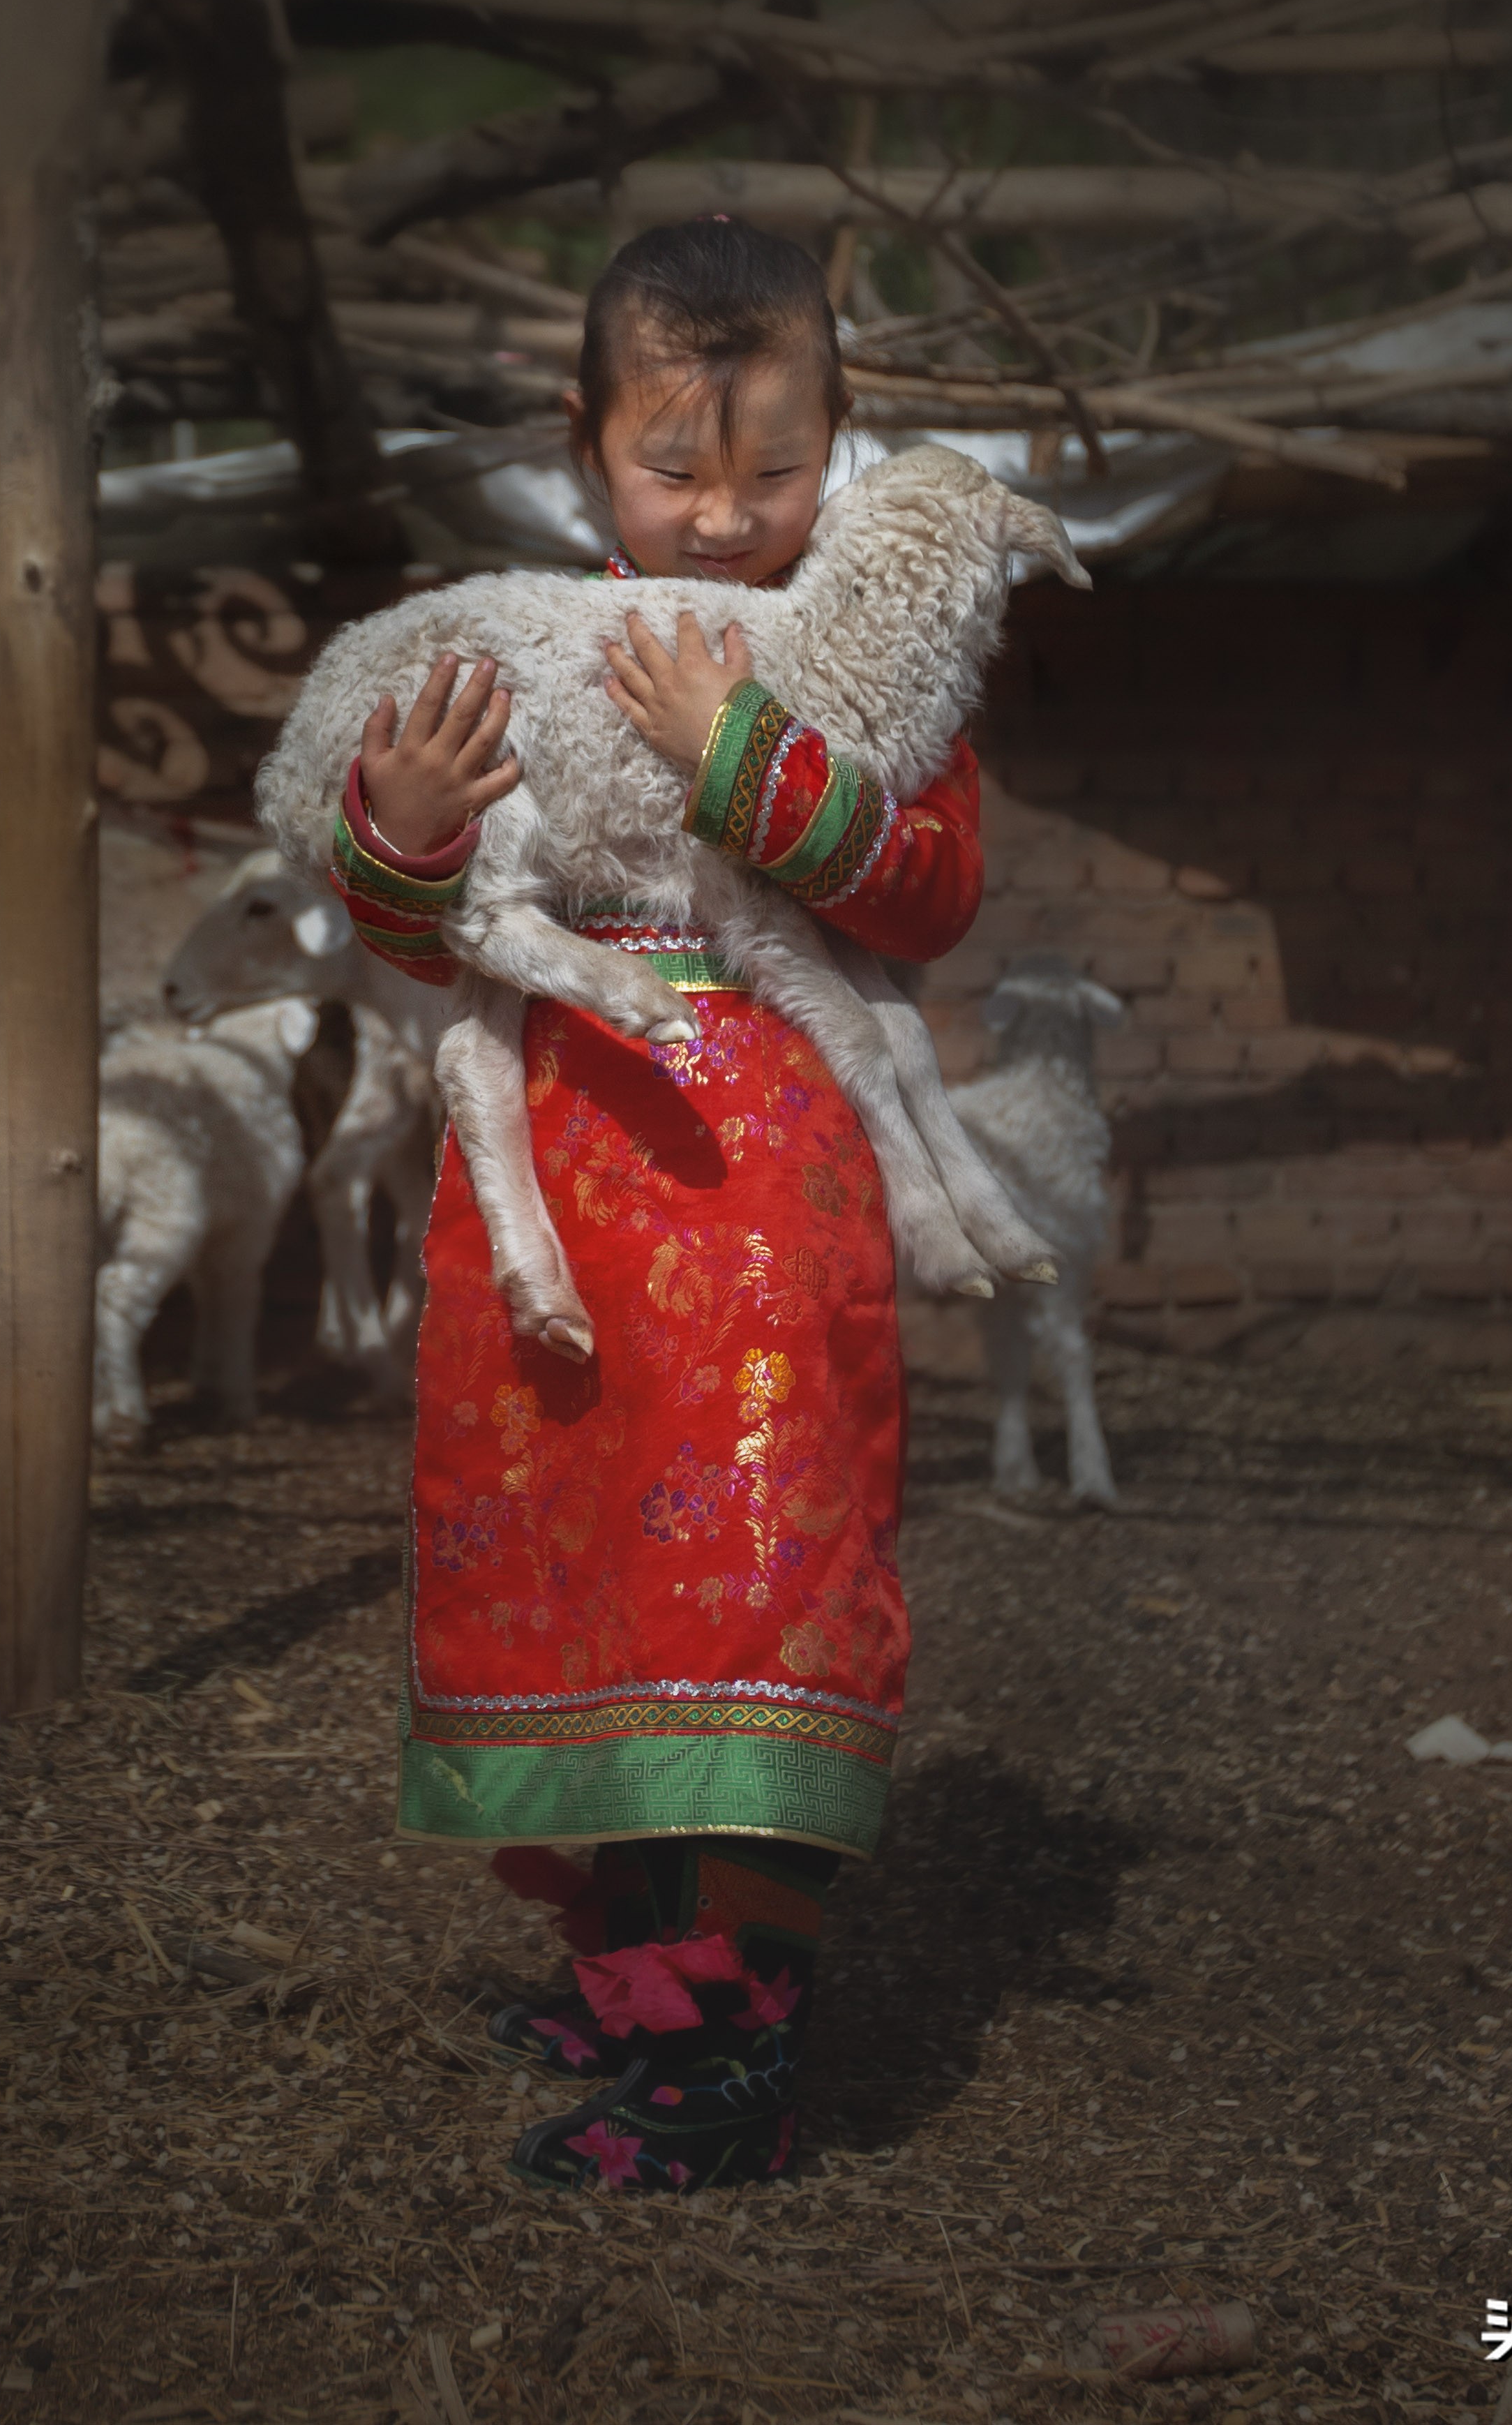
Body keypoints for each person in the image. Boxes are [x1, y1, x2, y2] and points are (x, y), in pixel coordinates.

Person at [324, 216, 985, 2192]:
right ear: (579, 443)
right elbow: (404, 934)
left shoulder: (869, 667)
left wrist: (744, 757)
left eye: (775, 473)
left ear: (841, 445)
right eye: (672, 469)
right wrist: (411, 834)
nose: (721, 518)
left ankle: (728, 2054)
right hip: (553, 1208)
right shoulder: (509, 645)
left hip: (772, 1225)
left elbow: (934, 892)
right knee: (596, 1578)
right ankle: (632, 1976)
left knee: (752, 1603)